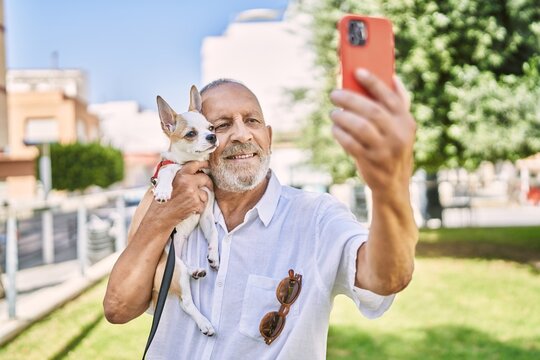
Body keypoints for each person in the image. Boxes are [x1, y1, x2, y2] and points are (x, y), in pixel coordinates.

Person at [103, 69, 418, 359]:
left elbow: (387, 278)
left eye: (252, 121)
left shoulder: (315, 217)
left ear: (269, 136)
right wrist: (164, 216)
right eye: (221, 126)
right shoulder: (165, 206)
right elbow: (118, 308)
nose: (242, 134)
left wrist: (390, 186)